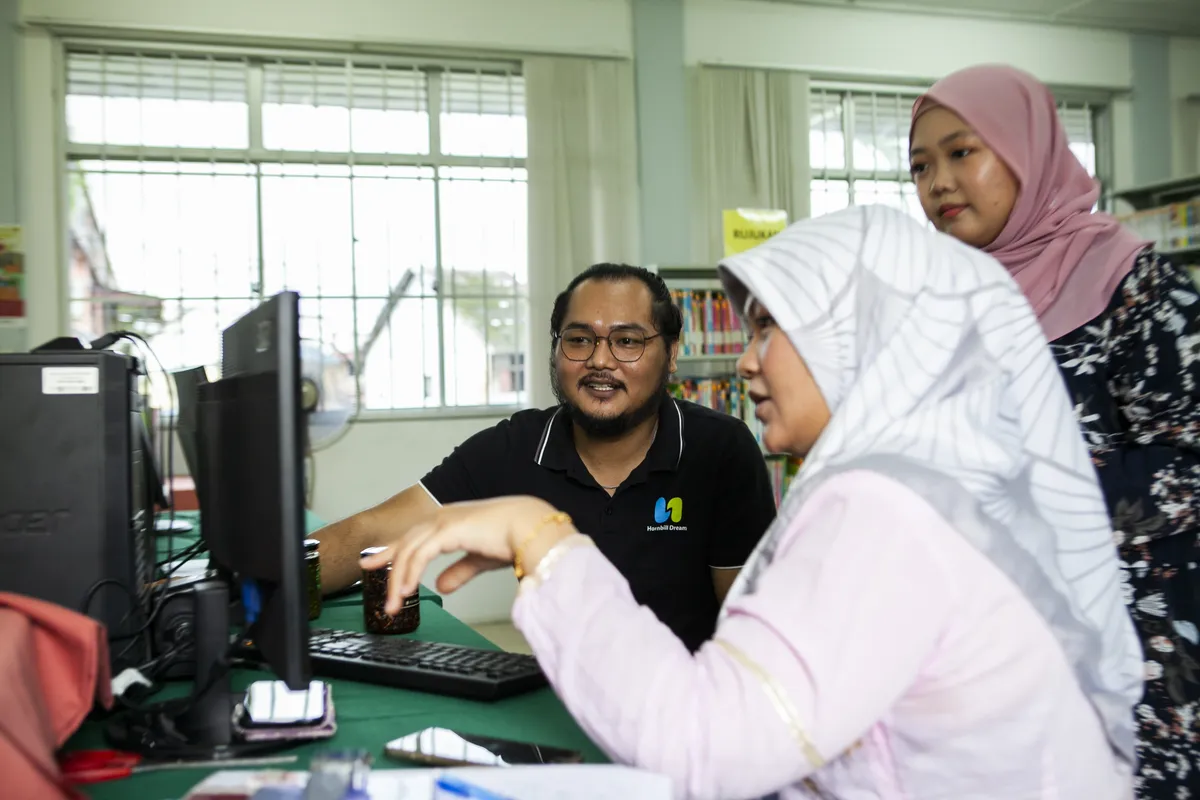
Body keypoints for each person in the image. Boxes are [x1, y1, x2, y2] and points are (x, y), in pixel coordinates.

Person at [363, 206, 1142, 798]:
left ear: (857, 335)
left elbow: (706, 744)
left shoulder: (886, 511)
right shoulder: (917, 486)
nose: (744, 360)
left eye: (770, 330)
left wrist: (541, 536)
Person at [909, 63, 1200, 797]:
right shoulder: (945, 306)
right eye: (919, 165)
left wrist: (1029, 501)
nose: (938, 181)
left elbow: (1186, 467)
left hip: (1140, 645)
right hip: (998, 643)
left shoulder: (1136, 287)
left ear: (1026, 150)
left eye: (961, 152)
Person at [311, 263, 776, 652]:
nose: (600, 360)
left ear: (671, 353)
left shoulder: (721, 451)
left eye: (628, 341)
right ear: (556, 351)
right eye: (579, 339)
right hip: (558, 702)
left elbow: (750, 629)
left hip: (685, 713)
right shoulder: (515, 446)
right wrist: (265, 587)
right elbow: (373, 532)